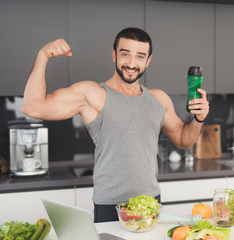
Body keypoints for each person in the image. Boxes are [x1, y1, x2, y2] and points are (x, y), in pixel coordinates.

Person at [22, 27, 209, 222]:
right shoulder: (92, 94)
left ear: (148, 61)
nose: (131, 63)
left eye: (139, 56)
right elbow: (32, 107)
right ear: (114, 55)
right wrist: (43, 55)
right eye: (125, 54)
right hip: (110, 206)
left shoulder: (158, 99)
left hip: (150, 202)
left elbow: (183, 140)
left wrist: (198, 119)